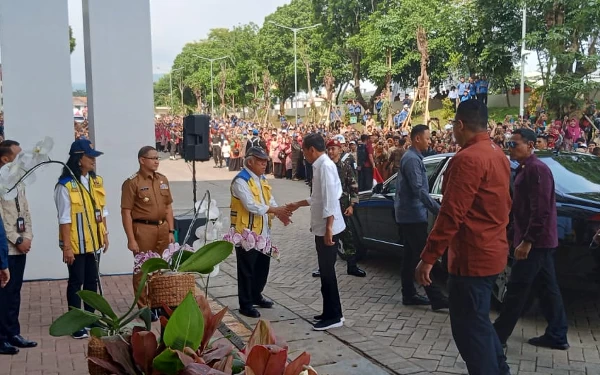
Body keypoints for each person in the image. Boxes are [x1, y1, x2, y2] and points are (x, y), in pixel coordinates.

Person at [415, 100, 511, 375]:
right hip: (491, 251)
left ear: (460, 125)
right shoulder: (496, 153)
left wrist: (428, 258)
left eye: (452, 128)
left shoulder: (468, 158)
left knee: (470, 331)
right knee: (479, 323)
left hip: (473, 257)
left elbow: (451, 215)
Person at [493, 129, 569, 350]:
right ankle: (557, 333)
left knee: (517, 287)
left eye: (515, 144)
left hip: (536, 243)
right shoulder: (526, 169)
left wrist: (527, 240)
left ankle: (498, 334)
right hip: (536, 241)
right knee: (547, 288)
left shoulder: (537, 170)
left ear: (530, 145)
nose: (510, 147)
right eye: (509, 143)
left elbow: (541, 210)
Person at [288, 133, 345, 331]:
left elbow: (331, 199)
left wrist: (329, 228)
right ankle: (328, 311)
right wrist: (297, 203)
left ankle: (335, 315)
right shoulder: (319, 165)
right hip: (322, 227)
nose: (304, 154)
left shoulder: (326, 167)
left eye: (304, 151)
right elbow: (318, 197)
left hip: (328, 228)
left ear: (311, 149)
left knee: (328, 273)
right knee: (324, 272)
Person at [54, 139, 109, 340]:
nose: (93, 160)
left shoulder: (95, 181)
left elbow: (103, 210)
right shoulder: (65, 186)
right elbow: (64, 219)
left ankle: (91, 318)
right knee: (76, 282)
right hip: (76, 244)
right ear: (79, 159)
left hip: (93, 241)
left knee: (92, 281)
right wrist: (67, 247)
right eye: (89, 157)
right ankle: (76, 322)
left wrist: (105, 233)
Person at [230, 147, 292, 318]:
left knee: (262, 268)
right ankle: (246, 304)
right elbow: (251, 205)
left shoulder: (261, 178)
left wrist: (279, 213)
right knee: (247, 270)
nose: (264, 164)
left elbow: (268, 199)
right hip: (246, 234)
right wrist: (276, 210)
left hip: (263, 232)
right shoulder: (240, 181)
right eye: (260, 161)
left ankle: (256, 295)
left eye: (265, 161)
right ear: (250, 162)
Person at [394, 125, 448, 310]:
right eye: (427, 138)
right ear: (417, 138)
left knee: (410, 257)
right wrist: (437, 209)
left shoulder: (414, 158)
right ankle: (436, 297)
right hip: (412, 216)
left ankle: (408, 294)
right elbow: (419, 190)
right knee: (424, 256)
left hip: (411, 214)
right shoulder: (411, 160)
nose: (429, 141)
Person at [121, 146, 175, 314]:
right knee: (143, 269)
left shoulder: (163, 180)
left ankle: (157, 304)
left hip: (162, 228)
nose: (157, 161)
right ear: (142, 160)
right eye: (152, 158)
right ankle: (143, 307)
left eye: (157, 157)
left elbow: (168, 207)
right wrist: (131, 238)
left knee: (159, 268)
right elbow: (126, 211)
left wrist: (171, 231)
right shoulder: (132, 182)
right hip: (143, 229)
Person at [0, 141, 36, 354]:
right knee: (3, 293)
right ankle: (2, 337)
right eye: (18, 155)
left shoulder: (18, 180)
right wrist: (16, 239)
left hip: (21, 245)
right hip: (7, 247)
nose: (22, 158)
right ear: (5, 159)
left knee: (14, 292)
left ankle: (13, 332)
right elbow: (1, 219)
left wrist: (28, 236)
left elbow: (25, 212)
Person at [313, 140, 366, 278]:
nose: (331, 152)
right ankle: (324, 268)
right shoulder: (323, 166)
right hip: (328, 208)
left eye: (334, 149)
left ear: (340, 150)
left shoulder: (345, 166)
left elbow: (353, 186)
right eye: (329, 149)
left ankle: (352, 266)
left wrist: (352, 205)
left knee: (348, 237)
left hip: (342, 207)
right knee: (327, 239)